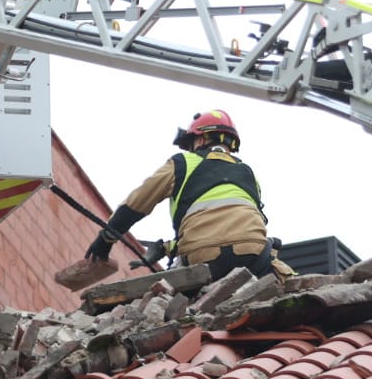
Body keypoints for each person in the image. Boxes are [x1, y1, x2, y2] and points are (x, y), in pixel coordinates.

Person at [85, 109, 278, 279]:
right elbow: (230, 227)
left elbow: (137, 203)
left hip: (204, 258)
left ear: (200, 139)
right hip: (253, 255)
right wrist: (165, 248)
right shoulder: (248, 173)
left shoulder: (182, 163)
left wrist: (106, 239)